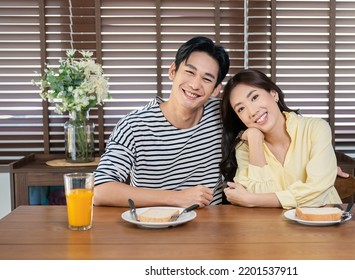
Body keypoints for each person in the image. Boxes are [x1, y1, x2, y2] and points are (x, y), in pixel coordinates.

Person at [93, 36, 230, 208]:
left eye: (207, 79)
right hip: (154, 227)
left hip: (211, 228)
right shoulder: (133, 126)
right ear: (173, 71)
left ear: (216, 89)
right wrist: (176, 198)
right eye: (189, 72)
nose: (195, 85)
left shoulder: (223, 113)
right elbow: (100, 190)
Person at [219, 69, 342, 209]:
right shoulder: (246, 146)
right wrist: (255, 140)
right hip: (273, 228)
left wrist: (253, 200)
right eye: (241, 109)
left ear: (274, 94)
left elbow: (318, 193)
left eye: (254, 97)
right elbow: (255, 203)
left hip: (324, 223)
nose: (252, 112)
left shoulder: (316, 128)